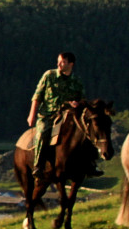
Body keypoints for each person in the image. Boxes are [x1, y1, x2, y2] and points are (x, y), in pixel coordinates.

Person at [26, 52, 85, 184]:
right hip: (48, 114)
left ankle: (90, 164)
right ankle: (38, 166)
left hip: (67, 115)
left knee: (86, 132)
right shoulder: (49, 75)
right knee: (42, 134)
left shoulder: (76, 81)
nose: (58, 64)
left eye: (62, 62)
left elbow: (82, 99)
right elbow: (37, 96)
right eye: (58, 61)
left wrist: (77, 103)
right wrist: (32, 115)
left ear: (71, 64)